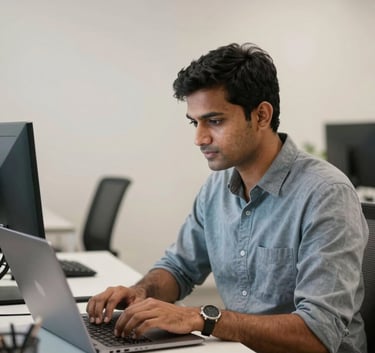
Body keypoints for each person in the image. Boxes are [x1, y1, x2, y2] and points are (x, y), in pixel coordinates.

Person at [86, 43, 368, 353]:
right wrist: (139, 292)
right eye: (195, 123)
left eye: (215, 121)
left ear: (261, 115)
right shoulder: (216, 187)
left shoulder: (326, 194)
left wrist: (202, 318)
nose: (199, 138)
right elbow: (180, 267)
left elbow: (318, 334)